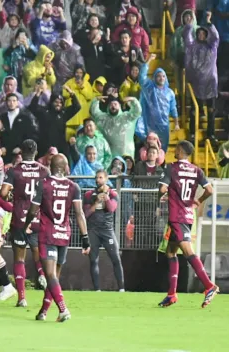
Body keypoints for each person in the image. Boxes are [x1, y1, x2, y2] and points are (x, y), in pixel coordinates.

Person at [25, 153, 90, 322]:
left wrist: (25, 224)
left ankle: (63, 310)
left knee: (50, 275)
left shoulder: (44, 185)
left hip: (47, 234)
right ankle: (43, 311)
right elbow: (79, 213)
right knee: (54, 276)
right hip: (64, 235)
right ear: (65, 167)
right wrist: (85, 238)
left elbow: (33, 210)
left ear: (51, 167)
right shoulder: (73, 187)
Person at [158, 140, 219, 308]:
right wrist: (197, 201)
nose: (174, 151)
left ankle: (209, 286)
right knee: (171, 252)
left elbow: (162, 189)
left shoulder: (172, 168)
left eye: (176, 149)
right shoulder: (196, 170)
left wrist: (162, 195)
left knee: (187, 251)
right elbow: (210, 190)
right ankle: (171, 295)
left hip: (177, 216)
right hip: (187, 214)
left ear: (180, 150)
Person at [0, 139, 50, 307]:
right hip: (38, 217)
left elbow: (3, 193)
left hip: (20, 219)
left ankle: (22, 298)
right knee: (40, 254)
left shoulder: (15, 171)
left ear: (21, 152)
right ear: (36, 152)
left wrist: (10, 196)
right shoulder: (44, 171)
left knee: (19, 259)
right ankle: (43, 275)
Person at [83, 170, 125, 292]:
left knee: (116, 258)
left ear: (106, 179)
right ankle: (97, 289)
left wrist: (106, 198)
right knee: (93, 259)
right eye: (96, 177)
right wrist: (96, 203)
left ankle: (121, 288)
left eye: (100, 177)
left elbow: (112, 208)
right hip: (93, 230)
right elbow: (85, 214)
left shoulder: (113, 194)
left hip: (107, 230)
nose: (98, 180)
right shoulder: (89, 195)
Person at [184, 11, 219, 145]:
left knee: (211, 111)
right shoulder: (193, 47)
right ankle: (192, 133)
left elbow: (215, 37)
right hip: (196, 83)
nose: (201, 35)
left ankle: (211, 134)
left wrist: (209, 22)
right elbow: (187, 39)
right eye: (199, 33)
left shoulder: (212, 47)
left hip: (210, 82)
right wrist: (188, 25)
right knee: (194, 111)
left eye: (204, 33)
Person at [137, 54, 178, 151]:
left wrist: (176, 123)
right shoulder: (150, 88)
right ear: (154, 78)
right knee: (150, 149)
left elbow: (173, 108)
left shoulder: (170, 93)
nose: (161, 78)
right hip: (150, 124)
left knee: (162, 150)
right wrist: (149, 60)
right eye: (158, 76)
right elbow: (142, 76)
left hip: (164, 125)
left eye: (163, 76)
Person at [0, 93, 39, 160]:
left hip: (20, 154)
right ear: (6, 102)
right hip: (4, 154)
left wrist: (21, 148)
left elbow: (30, 135)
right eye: (9, 101)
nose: (11, 103)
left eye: (14, 101)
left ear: (17, 102)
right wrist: (1, 147)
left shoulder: (25, 117)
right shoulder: (2, 117)